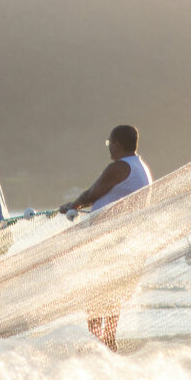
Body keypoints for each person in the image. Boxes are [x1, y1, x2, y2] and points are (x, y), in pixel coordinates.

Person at [59, 125, 153, 351]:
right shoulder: (141, 167)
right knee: (111, 299)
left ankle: (99, 345)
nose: (109, 147)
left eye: (110, 143)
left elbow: (93, 193)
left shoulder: (119, 167)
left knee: (94, 297)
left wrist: (72, 205)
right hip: (127, 245)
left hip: (112, 246)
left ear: (118, 144)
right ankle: (108, 344)